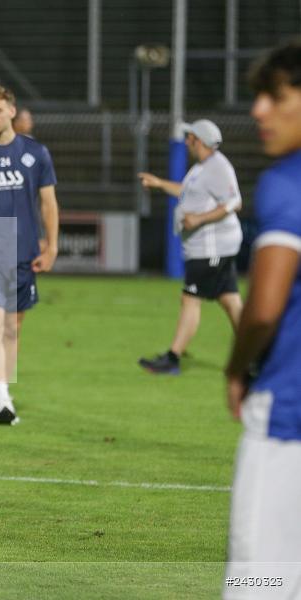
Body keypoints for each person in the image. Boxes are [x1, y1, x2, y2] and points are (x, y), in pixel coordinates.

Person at [223, 40, 301, 599]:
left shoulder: (287, 182)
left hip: (288, 419)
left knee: (261, 579)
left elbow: (266, 305)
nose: (259, 112)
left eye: (275, 97)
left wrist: (237, 367)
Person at [0, 85, 59, 426]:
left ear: (12, 111)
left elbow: (48, 202)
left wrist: (52, 246)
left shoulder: (36, 153)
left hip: (24, 255)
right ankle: (1, 398)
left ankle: (2, 392)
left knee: (11, 330)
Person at [137, 120, 243, 375]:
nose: (186, 142)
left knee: (190, 299)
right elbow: (187, 192)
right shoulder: (202, 168)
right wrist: (160, 183)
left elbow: (234, 202)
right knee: (230, 300)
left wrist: (198, 219)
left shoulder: (218, 167)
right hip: (212, 248)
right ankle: (259, 355)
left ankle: (172, 359)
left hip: (211, 248)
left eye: (191, 138)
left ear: (200, 141)